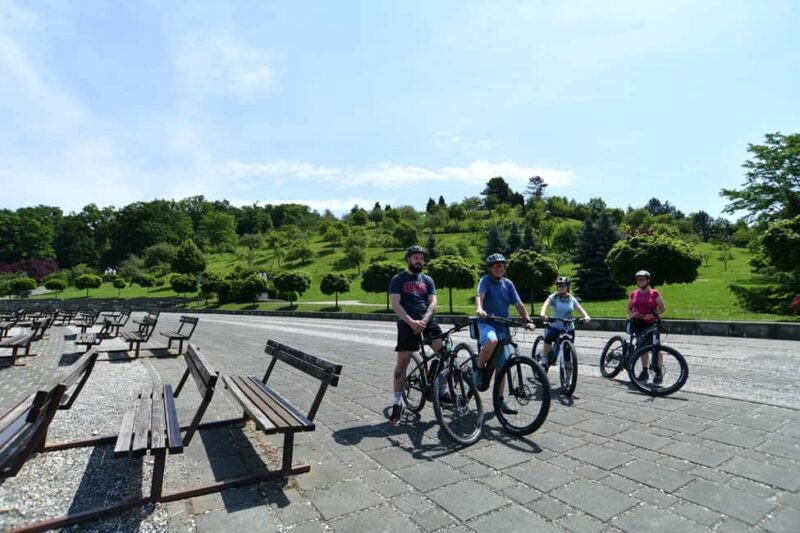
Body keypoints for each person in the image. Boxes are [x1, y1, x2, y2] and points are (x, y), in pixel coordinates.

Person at [387, 245, 443, 426]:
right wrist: (411, 322)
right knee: (402, 364)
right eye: (415, 257)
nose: (418, 260)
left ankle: (440, 390)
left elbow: (433, 302)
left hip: (427, 322)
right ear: (408, 260)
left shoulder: (427, 280)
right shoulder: (398, 279)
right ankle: (397, 403)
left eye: (421, 257)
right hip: (406, 324)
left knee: (444, 353)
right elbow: (395, 304)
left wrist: (425, 320)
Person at [474, 253, 535, 413]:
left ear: (504, 267)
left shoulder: (508, 284)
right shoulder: (485, 280)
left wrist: (527, 320)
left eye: (500, 265)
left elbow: (518, 303)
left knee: (503, 367)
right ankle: (479, 366)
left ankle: (500, 401)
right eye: (494, 266)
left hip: (503, 326)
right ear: (489, 269)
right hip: (487, 323)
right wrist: (480, 309)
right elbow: (479, 296)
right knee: (492, 341)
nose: (498, 268)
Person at [537, 276, 591, 370]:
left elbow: (579, 308)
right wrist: (543, 313)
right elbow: (545, 305)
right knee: (549, 339)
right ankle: (544, 356)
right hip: (555, 325)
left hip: (569, 327)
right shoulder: (553, 297)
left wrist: (586, 316)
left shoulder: (571, 298)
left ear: (568, 287)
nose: (561, 287)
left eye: (564, 285)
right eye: (559, 285)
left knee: (568, 351)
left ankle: (568, 377)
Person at [627, 269, 666, 383]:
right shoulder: (633, 293)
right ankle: (644, 371)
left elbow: (662, 308)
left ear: (648, 280)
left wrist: (652, 315)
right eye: (639, 279)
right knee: (642, 347)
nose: (641, 281)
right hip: (638, 323)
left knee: (656, 347)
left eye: (643, 279)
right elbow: (628, 308)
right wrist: (633, 314)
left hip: (652, 323)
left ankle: (658, 371)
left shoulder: (654, 293)